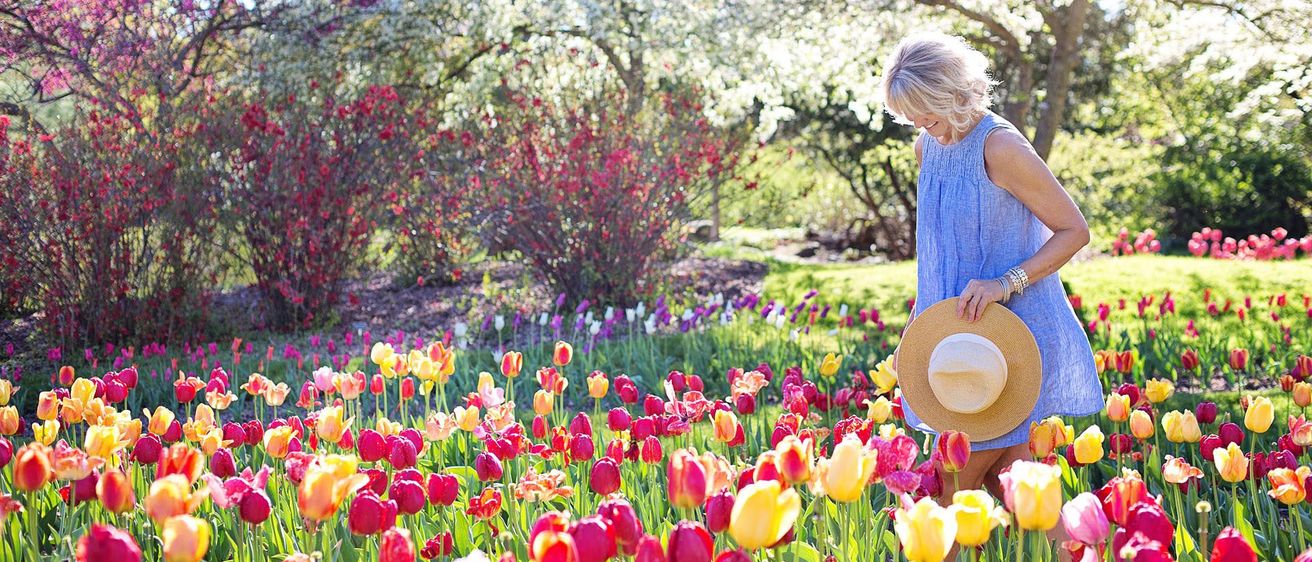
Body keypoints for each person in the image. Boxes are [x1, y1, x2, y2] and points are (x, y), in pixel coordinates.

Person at [880, 30, 1104, 551]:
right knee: (1022, 484)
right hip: (958, 340)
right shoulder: (928, 147)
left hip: (1006, 342)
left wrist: (1006, 284)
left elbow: (1075, 230)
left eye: (924, 111)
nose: (917, 124)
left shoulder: (1001, 147)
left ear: (954, 94)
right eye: (909, 114)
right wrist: (920, 327)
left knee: (946, 497)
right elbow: (937, 255)